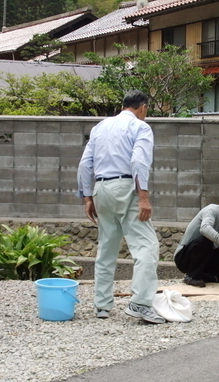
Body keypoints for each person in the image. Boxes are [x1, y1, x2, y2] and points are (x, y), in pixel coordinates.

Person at [77, 90, 164, 324]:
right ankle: (141, 303)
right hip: (125, 187)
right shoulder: (140, 127)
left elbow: (85, 164)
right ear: (143, 107)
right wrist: (143, 197)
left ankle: (102, 306)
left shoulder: (100, 127)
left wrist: (87, 197)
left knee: (106, 248)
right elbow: (138, 160)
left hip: (101, 189)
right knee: (146, 246)